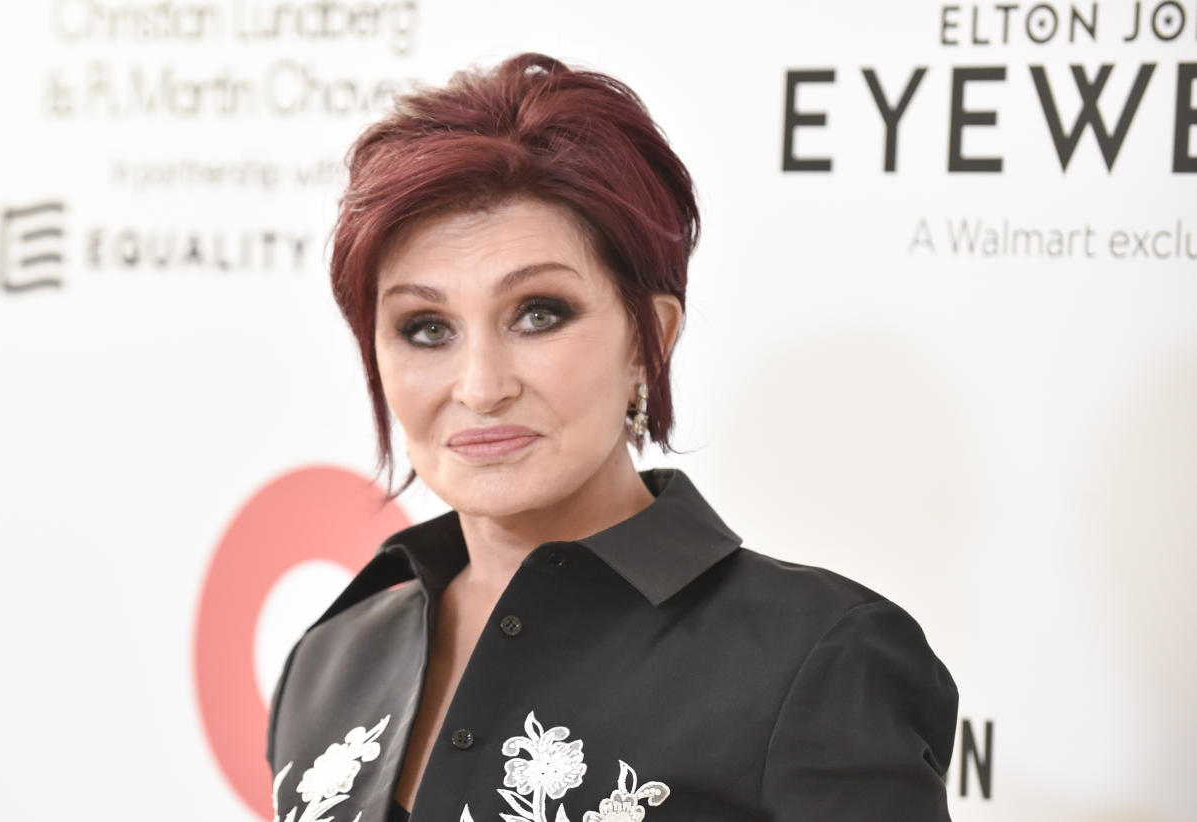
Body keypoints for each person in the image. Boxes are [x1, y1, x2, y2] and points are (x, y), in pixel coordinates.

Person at [266, 52, 958, 822]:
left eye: (539, 313)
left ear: (648, 341)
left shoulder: (818, 660)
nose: (480, 385)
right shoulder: (331, 662)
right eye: (425, 328)